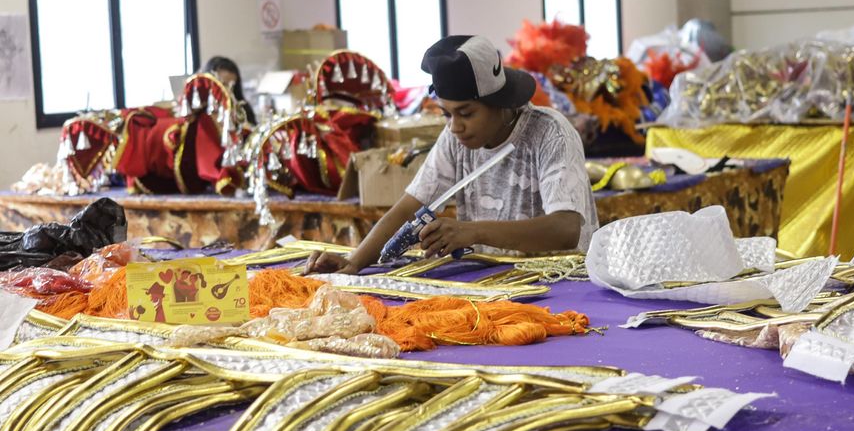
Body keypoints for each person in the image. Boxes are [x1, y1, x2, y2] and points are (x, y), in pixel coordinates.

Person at [306, 35, 598, 275]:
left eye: (466, 113)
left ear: (500, 104)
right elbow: (410, 207)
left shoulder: (550, 134)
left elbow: (565, 229)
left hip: (563, 281)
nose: (455, 126)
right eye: (447, 114)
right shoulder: (456, 137)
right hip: (496, 281)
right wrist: (355, 261)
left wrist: (473, 232)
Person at [202, 56, 257, 125]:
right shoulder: (199, 111)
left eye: (232, 86)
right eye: (223, 85)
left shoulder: (242, 108)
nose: (227, 91)